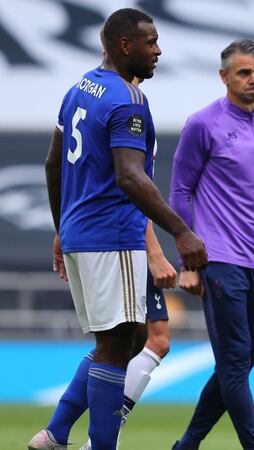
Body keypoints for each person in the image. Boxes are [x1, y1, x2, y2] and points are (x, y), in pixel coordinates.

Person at [29, 8, 207, 450]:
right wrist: (180, 232)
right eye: (151, 42)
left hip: (81, 234)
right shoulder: (124, 102)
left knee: (132, 338)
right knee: (117, 346)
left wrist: (61, 225)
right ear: (125, 46)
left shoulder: (79, 89)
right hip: (113, 236)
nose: (159, 50)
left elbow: (54, 162)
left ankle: (55, 434)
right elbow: (130, 177)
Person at [169, 39, 254, 450]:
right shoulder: (203, 124)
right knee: (236, 363)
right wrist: (188, 261)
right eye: (244, 72)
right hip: (219, 259)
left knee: (239, 364)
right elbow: (180, 191)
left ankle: (187, 444)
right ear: (224, 76)